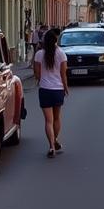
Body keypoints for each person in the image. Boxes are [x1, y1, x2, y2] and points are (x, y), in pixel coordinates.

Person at [33, 28, 69, 158]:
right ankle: (54, 141)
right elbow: (63, 74)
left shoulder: (38, 54)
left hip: (44, 89)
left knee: (48, 121)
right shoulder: (61, 54)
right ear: (56, 40)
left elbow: (37, 74)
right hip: (58, 89)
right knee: (57, 118)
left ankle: (52, 147)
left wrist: (41, 78)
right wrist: (65, 88)